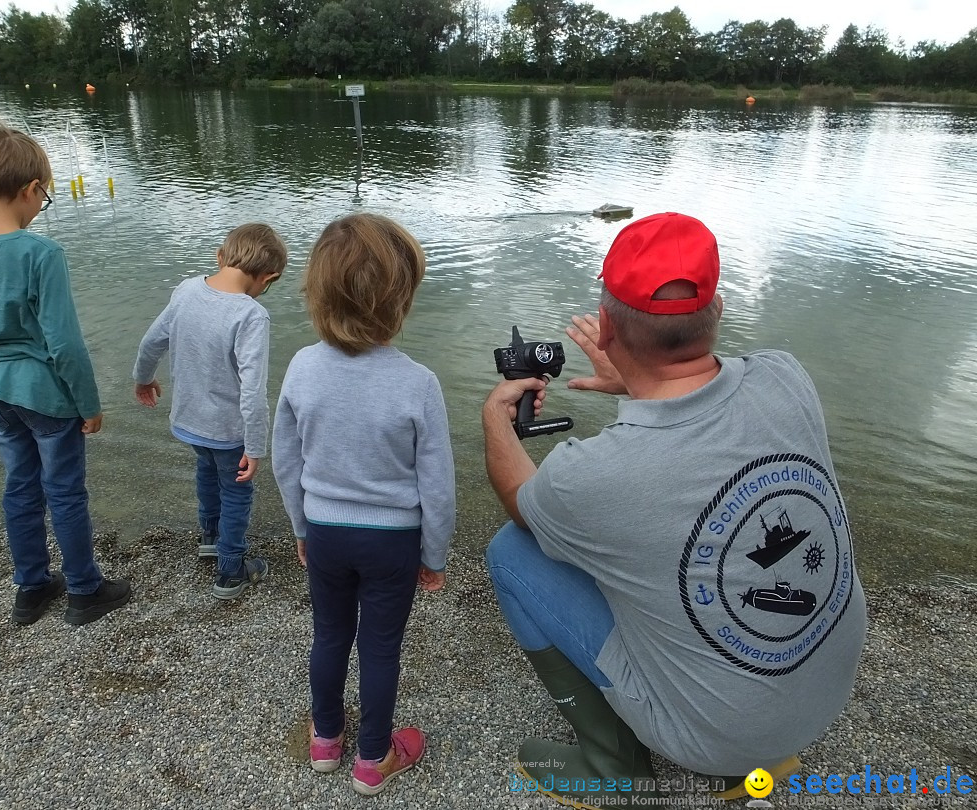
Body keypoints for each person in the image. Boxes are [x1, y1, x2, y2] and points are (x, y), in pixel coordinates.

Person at [482, 212, 867, 807]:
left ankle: (613, 767)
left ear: (605, 328)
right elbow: (696, 414)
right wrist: (640, 380)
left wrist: (496, 423)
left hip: (718, 739)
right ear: (717, 311)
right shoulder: (787, 377)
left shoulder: (594, 475)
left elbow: (521, 501)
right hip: (820, 702)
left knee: (512, 550)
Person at [271, 213, 455, 796]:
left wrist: (301, 525)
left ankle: (325, 740)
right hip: (392, 541)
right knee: (380, 647)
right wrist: (435, 553)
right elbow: (438, 485)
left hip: (325, 528)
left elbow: (286, 460)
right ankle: (372, 760)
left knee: (328, 635)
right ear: (401, 299)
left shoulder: (302, 367)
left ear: (316, 292)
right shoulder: (418, 382)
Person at [0, 125, 132, 627]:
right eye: (45, 195)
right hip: (46, 395)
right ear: (29, 190)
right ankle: (86, 591)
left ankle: (32, 586)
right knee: (64, 490)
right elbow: (63, 342)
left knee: (20, 486)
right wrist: (88, 403)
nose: (42, 206)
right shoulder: (40, 253)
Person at [133, 223, 286, 600]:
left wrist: (142, 379)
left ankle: (209, 536)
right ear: (270, 277)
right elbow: (252, 389)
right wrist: (256, 446)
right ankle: (231, 570)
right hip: (228, 430)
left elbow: (153, 340)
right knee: (236, 493)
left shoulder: (186, 290)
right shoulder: (251, 315)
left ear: (220, 256)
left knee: (205, 471)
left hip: (188, 421)